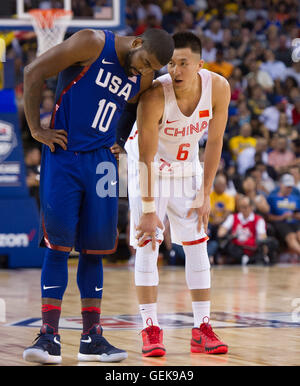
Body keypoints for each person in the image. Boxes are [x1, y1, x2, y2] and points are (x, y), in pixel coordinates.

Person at [22, 28, 174, 364]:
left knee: (96, 248)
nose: (142, 72)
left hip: (103, 164)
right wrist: (36, 130)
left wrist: (120, 137)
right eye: (143, 63)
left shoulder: (144, 77)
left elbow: (134, 109)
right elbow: (33, 72)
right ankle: (49, 335)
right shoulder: (92, 42)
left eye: (150, 69)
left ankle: (92, 337)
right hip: (65, 155)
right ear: (136, 43)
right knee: (58, 245)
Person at [125, 31, 230, 356]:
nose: (176, 70)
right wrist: (148, 208)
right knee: (149, 241)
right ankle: (150, 328)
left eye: (184, 63)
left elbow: (214, 142)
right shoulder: (156, 95)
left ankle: (202, 328)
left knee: (198, 244)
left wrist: (206, 191)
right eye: (171, 63)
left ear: (199, 64)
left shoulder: (219, 88)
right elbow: (144, 158)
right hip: (149, 168)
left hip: (187, 169)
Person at [217, 196, 277, 265]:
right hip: (237, 248)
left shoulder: (258, 219)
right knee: (226, 244)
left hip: (253, 248)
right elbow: (221, 232)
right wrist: (228, 234)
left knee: (271, 243)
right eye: (241, 207)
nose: (244, 209)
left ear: (251, 207)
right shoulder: (233, 217)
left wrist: (263, 244)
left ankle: (253, 259)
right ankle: (244, 259)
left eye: (246, 207)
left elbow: (262, 235)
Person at [267, 173, 300, 257]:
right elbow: (269, 217)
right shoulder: (272, 198)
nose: (289, 189)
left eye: (290, 187)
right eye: (287, 186)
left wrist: (296, 216)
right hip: (281, 223)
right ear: (281, 185)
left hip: (295, 222)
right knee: (291, 237)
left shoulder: (296, 198)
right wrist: (282, 217)